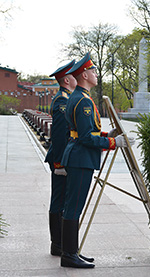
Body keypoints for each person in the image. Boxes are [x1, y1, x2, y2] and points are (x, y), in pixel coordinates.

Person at [61, 53, 135, 268]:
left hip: (79, 158)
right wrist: (114, 143)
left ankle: (71, 252)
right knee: (74, 207)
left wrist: (108, 136)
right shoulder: (82, 101)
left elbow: (87, 132)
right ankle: (69, 255)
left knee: (74, 206)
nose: (95, 74)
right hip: (80, 159)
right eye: (92, 71)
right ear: (84, 74)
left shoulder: (81, 97)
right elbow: (85, 137)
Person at [44, 60, 77, 258]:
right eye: (73, 75)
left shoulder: (66, 99)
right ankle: (56, 243)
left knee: (62, 200)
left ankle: (59, 243)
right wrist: (60, 162)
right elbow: (58, 136)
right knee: (59, 200)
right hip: (60, 159)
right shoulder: (62, 102)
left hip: (62, 158)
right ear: (66, 80)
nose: (76, 77)